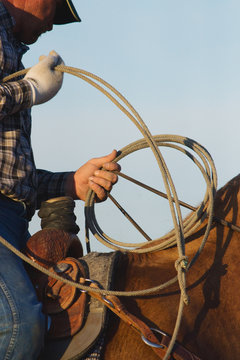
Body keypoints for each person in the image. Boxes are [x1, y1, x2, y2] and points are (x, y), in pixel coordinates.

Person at [0, 0, 121, 359]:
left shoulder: (11, 52)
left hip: (12, 221)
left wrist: (71, 183)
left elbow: (8, 174)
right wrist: (29, 91)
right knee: (20, 327)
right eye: (55, 8)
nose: (52, 26)